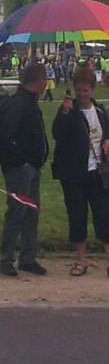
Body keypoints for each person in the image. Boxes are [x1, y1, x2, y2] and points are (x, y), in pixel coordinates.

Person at [52, 67, 109, 276]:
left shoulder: (100, 111)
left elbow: (106, 131)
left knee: (104, 216)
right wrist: (65, 112)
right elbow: (57, 134)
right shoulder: (69, 110)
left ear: (92, 90)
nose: (82, 94)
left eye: (86, 90)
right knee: (77, 217)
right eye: (79, 90)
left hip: (97, 172)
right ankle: (81, 260)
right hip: (74, 174)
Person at [0, 63, 49, 276]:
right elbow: (7, 137)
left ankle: (28, 257)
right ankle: (7, 260)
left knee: (31, 213)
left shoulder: (29, 102)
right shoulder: (19, 104)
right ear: (39, 82)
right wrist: (23, 162)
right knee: (17, 213)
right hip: (21, 168)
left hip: (32, 166)